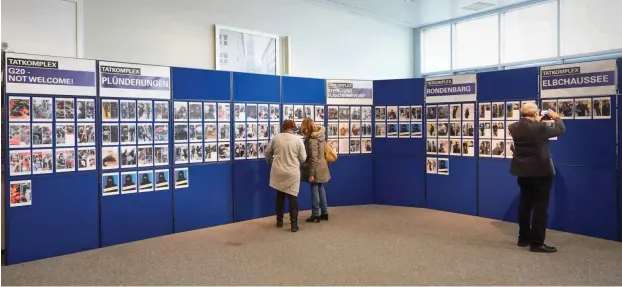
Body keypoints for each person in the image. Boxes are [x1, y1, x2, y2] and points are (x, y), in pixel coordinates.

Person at [508, 103, 565, 253]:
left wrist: (536, 120)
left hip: (523, 172)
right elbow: (561, 129)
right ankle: (537, 243)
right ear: (535, 114)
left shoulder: (513, 127)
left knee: (525, 205)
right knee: (540, 208)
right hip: (541, 173)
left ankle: (523, 238)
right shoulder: (539, 128)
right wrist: (556, 117)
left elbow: (529, 131)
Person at [265, 120, 307, 232]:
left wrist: (269, 162)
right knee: (293, 197)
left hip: (278, 171)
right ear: (293, 128)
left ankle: (279, 221)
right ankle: (294, 225)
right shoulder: (298, 140)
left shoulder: (276, 138)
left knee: (280, 196)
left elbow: (267, 153)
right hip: (292, 172)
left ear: (283, 127)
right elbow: (303, 158)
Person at [300, 118, 332, 223]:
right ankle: (324, 212)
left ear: (306, 128)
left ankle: (315, 214)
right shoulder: (320, 136)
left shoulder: (312, 139)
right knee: (321, 188)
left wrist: (311, 174)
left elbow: (313, 158)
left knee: (314, 190)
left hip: (316, 167)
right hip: (322, 165)